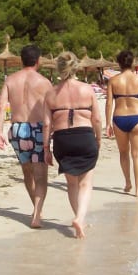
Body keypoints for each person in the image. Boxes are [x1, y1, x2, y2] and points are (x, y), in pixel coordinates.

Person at [43, 51, 102, 239]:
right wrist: (98, 139)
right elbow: (97, 119)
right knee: (86, 183)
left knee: (72, 183)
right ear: (76, 67)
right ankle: (80, 217)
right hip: (84, 136)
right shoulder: (87, 89)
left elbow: (46, 124)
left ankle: (80, 219)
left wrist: (46, 149)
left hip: (62, 138)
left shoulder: (51, 92)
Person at [0, 44, 53, 228]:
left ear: (21, 60)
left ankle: (36, 209)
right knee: (41, 174)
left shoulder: (10, 80)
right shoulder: (44, 82)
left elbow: (1, 105)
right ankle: (37, 213)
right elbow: (51, 110)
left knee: (27, 171)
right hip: (37, 129)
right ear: (38, 60)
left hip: (17, 129)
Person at [105, 50, 138, 196]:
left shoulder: (113, 80)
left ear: (119, 63)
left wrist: (108, 124)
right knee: (137, 155)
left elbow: (109, 103)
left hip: (119, 118)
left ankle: (127, 182)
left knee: (123, 153)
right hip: (137, 118)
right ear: (132, 62)